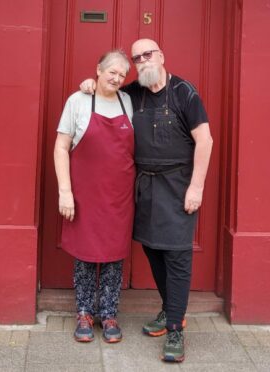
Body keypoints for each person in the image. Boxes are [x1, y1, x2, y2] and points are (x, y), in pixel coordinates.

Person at [81, 38, 213, 362]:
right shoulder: (133, 94)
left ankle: (176, 331)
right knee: (153, 249)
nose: (142, 61)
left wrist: (196, 187)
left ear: (161, 56)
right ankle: (171, 311)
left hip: (179, 184)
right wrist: (89, 84)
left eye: (147, 54)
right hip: (145, 185)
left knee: (177, 257)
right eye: (137, 57)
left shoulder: (185, 92)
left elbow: (205, 140)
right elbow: (106, 93)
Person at [54, 49, 135, 344]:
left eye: (122, 74)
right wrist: (65, 192)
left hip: (119, 196)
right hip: (85, 195)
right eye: (111, 71)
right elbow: (61, 147)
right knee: (85, 256)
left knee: (114, 256)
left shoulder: (129, 102)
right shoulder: (78, 101)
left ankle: (109, 312)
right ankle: (85, 313)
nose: (116, 78)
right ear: (98, 70)